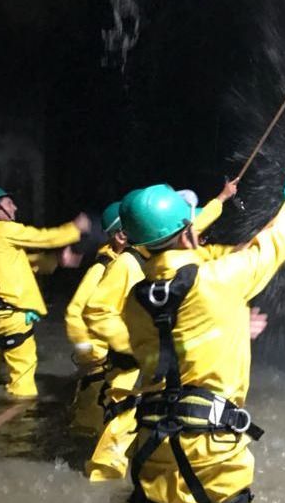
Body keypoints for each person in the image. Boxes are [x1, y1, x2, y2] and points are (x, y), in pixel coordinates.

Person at [119, 173, 285, 503]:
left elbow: (175, 344)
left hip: (153, 439)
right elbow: (274, 244)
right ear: (187, 232)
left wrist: (231, 324)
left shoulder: (135, 301)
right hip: (212, 442)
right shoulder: (219, 279)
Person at [83, 180, 241, 481]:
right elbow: (96, 310)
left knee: (147, 420)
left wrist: (221, 198)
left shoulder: (157, 250)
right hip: (134, 361)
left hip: (154, 357)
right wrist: (133, 345)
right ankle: (100, 480)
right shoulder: (127, 263)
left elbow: (191, 225)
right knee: (122, 418)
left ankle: (138, 483)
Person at [0, 185, 90, 397]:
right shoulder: (3, 229)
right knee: (23, 373)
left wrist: (55, 260)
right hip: (11, 316)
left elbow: (18, 263)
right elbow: (43, 238)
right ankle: (21, 413)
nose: (14, 207)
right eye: (8, 203)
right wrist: (75, 229)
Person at [65, 201, 124, 433]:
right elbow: (74, 311)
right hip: (100, 361)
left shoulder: (128, 264)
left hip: (117, 358)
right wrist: (88, 351)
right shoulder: (101, 268)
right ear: (120, 235)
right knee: (90, 423)